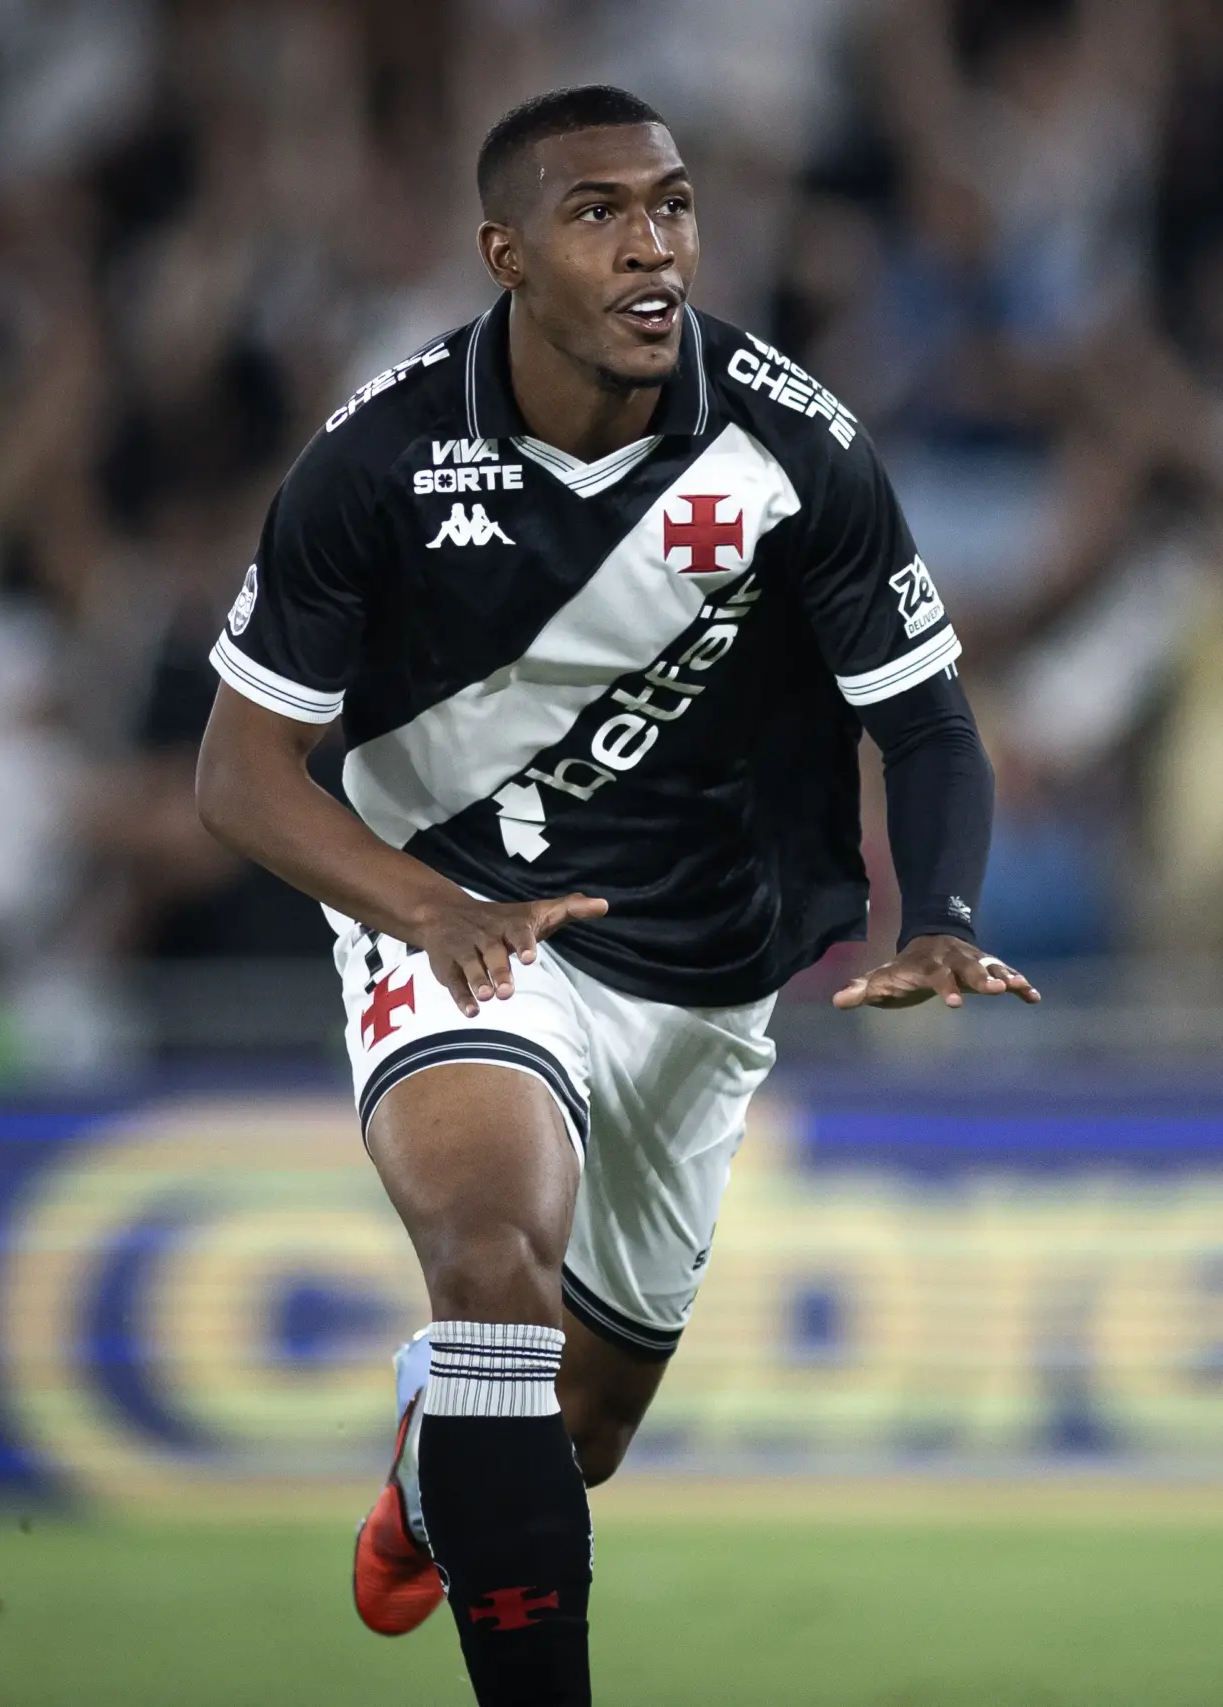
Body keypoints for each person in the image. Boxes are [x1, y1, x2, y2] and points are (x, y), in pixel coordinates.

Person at [194, 85, 1038, 1707]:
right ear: (506, 252)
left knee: (571, 1433)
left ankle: (442, 1452)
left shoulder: (794, 447)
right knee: (490, 1257)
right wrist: (419, 909)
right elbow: (241, 776)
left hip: (708, 970)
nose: (654, 248)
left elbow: (924, 717)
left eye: (673, 208)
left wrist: (943, 909)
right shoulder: (380, 458)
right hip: (454, 902)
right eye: (602, 214)